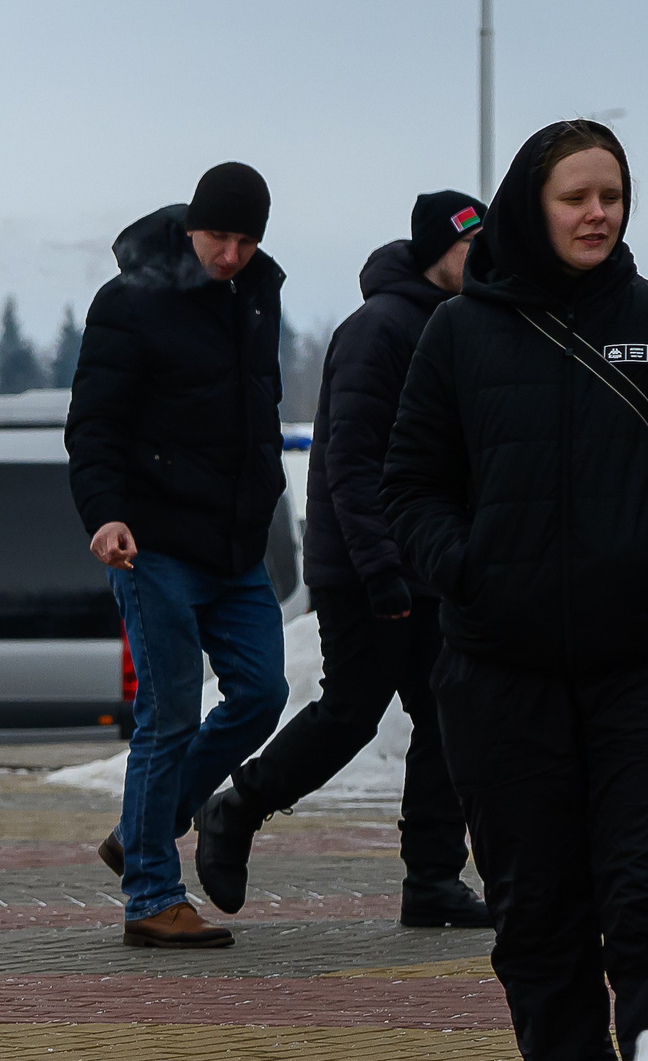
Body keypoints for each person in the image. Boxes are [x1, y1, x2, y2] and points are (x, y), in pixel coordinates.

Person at [384, 119, 648, 1061]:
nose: (598, 213)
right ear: (529, 205)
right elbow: (409, 485)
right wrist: (469, 568)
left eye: (612, 195)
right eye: (575, 196)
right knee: (538, 907)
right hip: (501, 676)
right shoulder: (458, 334)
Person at [194, 192, 493, 928]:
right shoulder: (379, 328)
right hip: (367, 567)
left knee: (450, 716)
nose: (485, 258)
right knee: (352, 712)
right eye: (471, 245)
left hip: (431, 561)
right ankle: (237, 806)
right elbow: (350, 462)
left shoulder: (461, 323)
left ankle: (432, 879)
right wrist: (381, 567)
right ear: (436, 250)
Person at [67, 162, 290, 949]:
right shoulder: (131, 301)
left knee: (262, 693)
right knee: (168, 715)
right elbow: (93, 425)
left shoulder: (258, 295)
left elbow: (260, 411)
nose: (230, 255)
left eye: (246, 241)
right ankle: (152, 896)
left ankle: (143, 828)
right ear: (192, 226)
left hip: (236, 545)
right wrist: (105, 516)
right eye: (218, 237)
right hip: (153, 543)